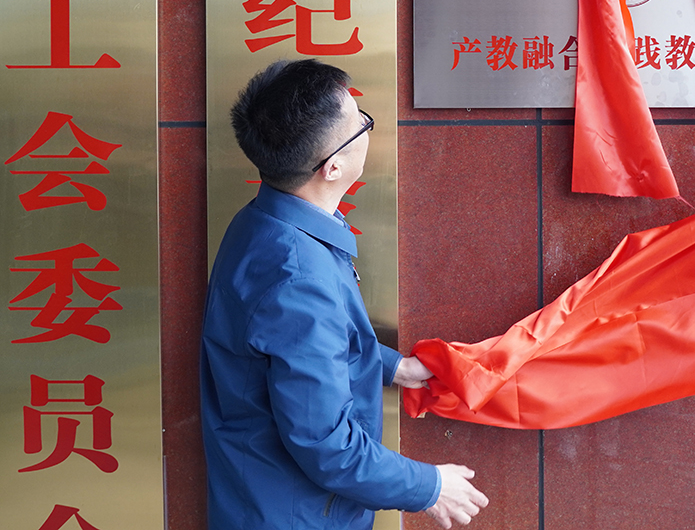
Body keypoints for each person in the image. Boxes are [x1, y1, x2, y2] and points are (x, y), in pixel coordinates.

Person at [200, 59, 488, 529]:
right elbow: (327, 445)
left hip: (261, 497)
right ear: (332, 167)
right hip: (297, 516)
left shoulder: (263, 221)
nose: (366, 130)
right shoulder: (298, 278)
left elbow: (289, 346)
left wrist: (392, 366)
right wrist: (429, 487)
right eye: (361, 124)